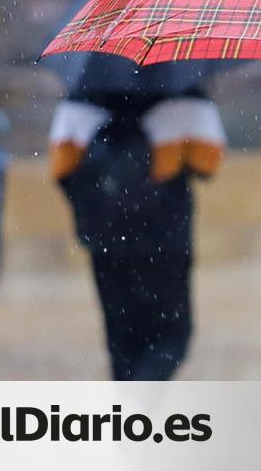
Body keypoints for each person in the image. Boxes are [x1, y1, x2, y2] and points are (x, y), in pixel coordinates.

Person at [50, 90, 225, 380]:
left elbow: (62, 168)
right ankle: (139, 402)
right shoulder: (185, 88)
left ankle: (128, 413)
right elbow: (209, 162)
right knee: (172, 337)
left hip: (106, 238)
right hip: (166, 237)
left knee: (121, 342)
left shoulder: (81, 94)